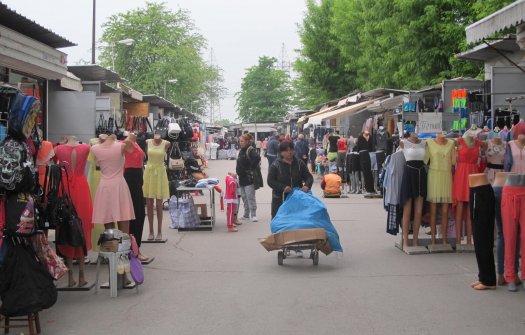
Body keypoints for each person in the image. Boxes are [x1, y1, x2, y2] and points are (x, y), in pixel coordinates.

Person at [55, 135, 93, 287]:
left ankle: (71, 275)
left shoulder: (58, 149)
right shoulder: (86, 147)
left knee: (66, 228)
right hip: (81, 188)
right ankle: (82, 273)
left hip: (64, 188)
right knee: (81, 228)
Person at [267, 140, 314, 219]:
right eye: (286, 150)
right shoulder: (275, 165)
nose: (289, 152)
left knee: (296, 222)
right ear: (281, 152)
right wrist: (282, 187)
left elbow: (309, 177)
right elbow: (270, 181)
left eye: (291, 150)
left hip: (297, 199)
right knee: (280, 222)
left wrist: (306, 186)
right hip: (280, 199)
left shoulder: (299, 163)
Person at [143, 132, 170, 241]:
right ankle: (150, 231)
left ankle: (159, 231)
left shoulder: (166, 143)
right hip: (149, 172)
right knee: (149, 203)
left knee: (159, 203)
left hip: (160, 173)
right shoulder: (147, 142)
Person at [236, 134, 261, 222]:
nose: (240, 143)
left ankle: (253, 215)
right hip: (241, 178)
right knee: (244, 197)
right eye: (240, 141)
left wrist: (250, 168)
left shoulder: (250, 150)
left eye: (242, 141)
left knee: (250, 197)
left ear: (247, 141)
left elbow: (257, 157)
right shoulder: (241, 151)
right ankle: (246, 214)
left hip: (249, 178)